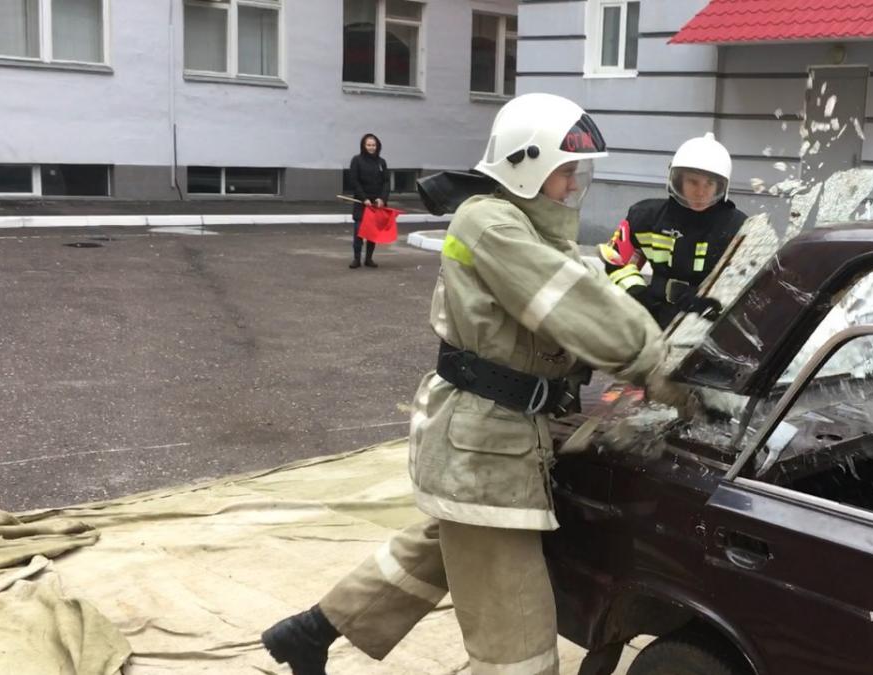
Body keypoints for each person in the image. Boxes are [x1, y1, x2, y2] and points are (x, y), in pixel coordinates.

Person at [261, 93, 693, 675]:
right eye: (566, 172)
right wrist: (660, 368)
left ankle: (309, 631)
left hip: (494, 436)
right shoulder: (491, 223)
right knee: (518, 642)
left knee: (441, 545)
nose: (573, 185)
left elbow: (588, 279)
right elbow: (571, 302)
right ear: (527, 165)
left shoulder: (526, 227)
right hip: (485, 446)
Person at [600, 132, 748, 327]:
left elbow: (748, 284)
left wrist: (711, 300)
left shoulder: (737, 228)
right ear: (677, 181)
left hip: (709, 324)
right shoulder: (645, 217)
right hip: (652, 316)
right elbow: (616, 262)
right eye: (693, 182)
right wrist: (639, 295)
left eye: (710, 183)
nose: (701, 192)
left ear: (722, 187)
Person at [348, 133, 389, 269]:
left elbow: (386, 182)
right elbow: (354, 181)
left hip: (376, 204)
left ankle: (369, 259)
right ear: (363, 146)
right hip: (362, 202)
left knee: (372, 232)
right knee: (359, 231)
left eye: (374, 145)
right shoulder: (357, 160)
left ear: (377, 146)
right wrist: (363, 198)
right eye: (369, 145)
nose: (371, 147)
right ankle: (356, 259)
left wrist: (382, 199)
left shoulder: (381, 162)